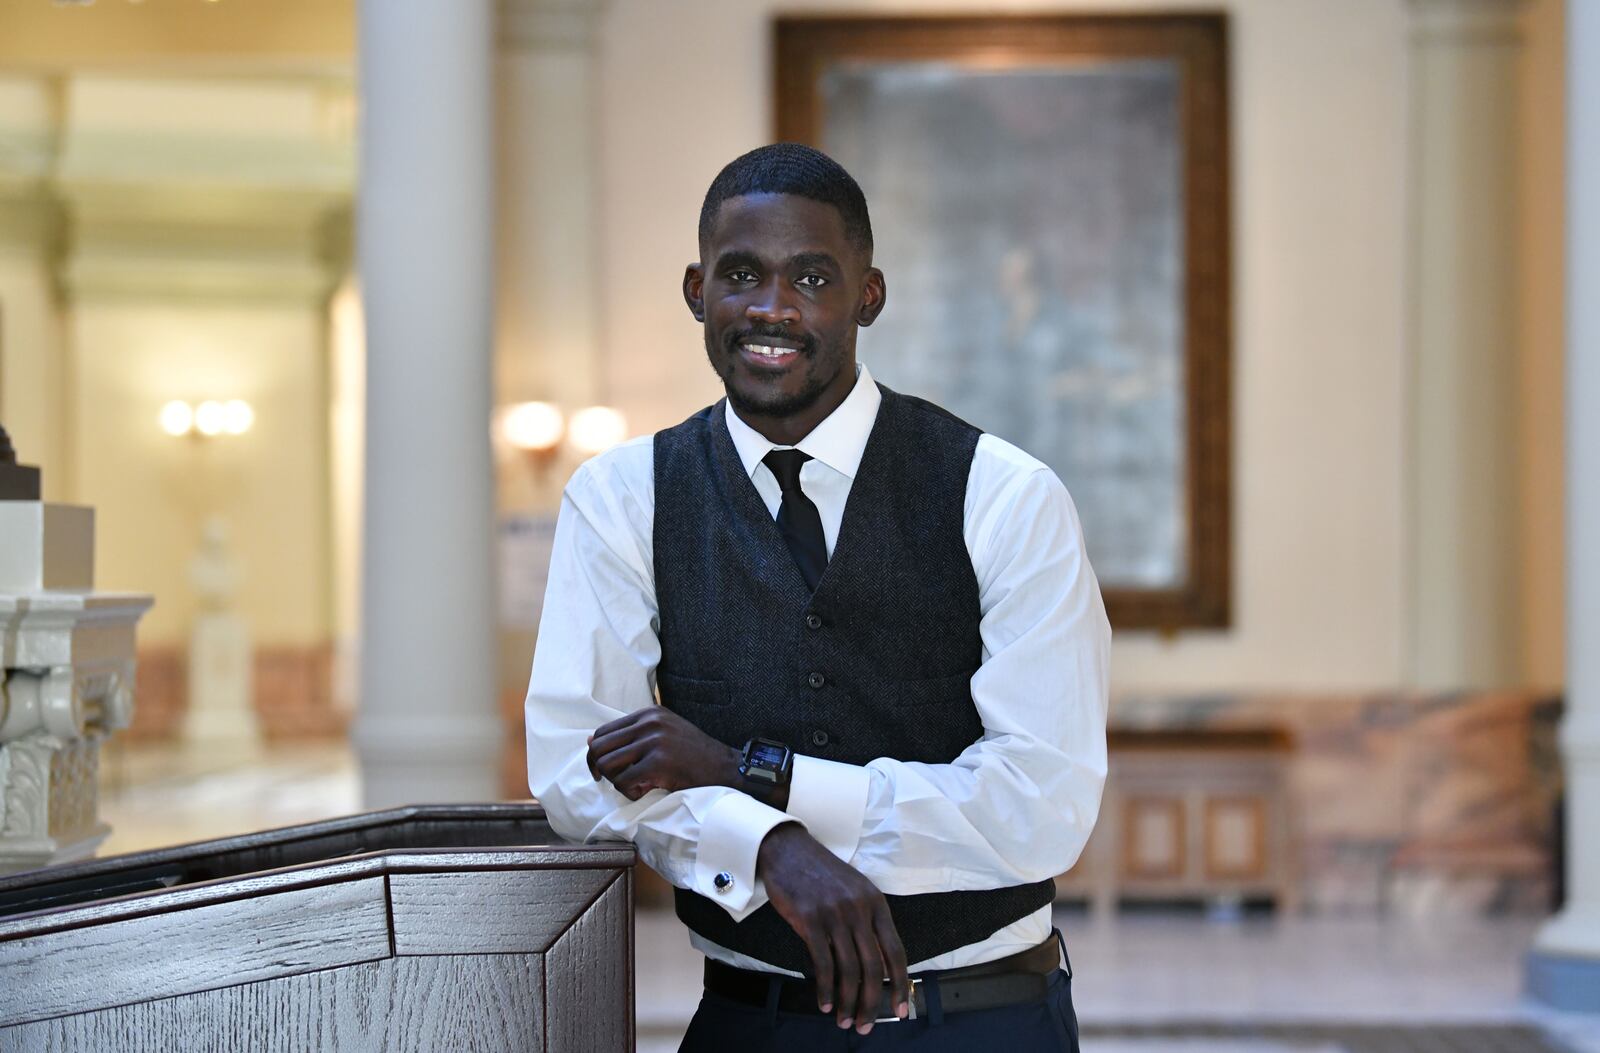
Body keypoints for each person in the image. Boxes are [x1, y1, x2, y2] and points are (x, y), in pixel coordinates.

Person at [525, 142, 1109, 1051]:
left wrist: (749, 775)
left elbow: (1042, 811)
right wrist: (767, 847)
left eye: (812, 276)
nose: (771, 307)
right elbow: (578, 771)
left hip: (986, 1020)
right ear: (696, 291)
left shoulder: (1005, 494)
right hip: (752, 1024)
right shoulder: (621, 498)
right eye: (742, 274)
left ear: (866, 297)